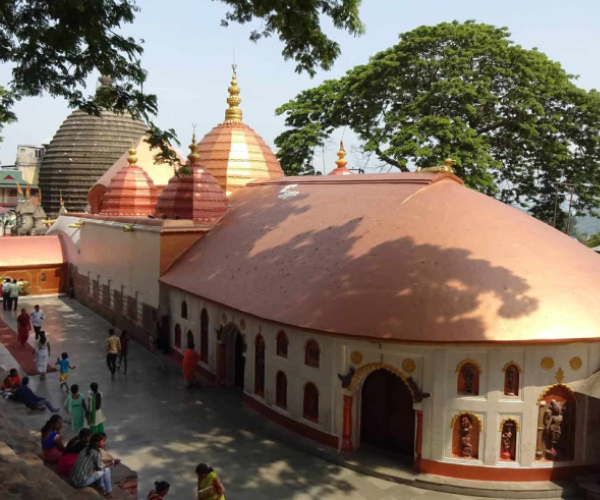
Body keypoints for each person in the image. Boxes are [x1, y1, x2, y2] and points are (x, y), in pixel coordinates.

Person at [69, 432, 120, 498]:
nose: (105, 443)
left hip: (73, 479)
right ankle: (109, 493)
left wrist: (111, 461)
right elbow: (100, 467)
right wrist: (112, 462)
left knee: (98, 469)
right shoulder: (95, 452)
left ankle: (101, 487)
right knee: (106, 470)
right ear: (96, 442)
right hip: (80, 483)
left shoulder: (86, 448)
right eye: (103, 441)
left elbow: (97, 461)